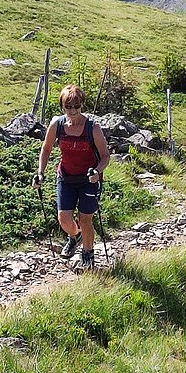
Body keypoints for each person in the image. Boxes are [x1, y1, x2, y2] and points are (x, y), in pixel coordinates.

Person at [32, 84, 110, 268]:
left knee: (85, 219)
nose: (73, 110)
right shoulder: (57, 125)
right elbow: (46, 149)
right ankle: (75, 237)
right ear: (63, 106)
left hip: (88, 180)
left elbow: (106, 156)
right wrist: (40, 173)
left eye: (76, 106)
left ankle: (88, 256)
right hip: (66, 178)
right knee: (64, 219)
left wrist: (97, 171)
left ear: (82, 105)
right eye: (68, 106)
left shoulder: (93, 128)